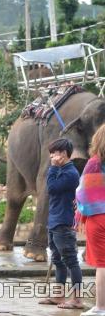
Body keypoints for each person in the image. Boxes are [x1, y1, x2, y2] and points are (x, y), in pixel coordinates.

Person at [37, 138, 83, 309]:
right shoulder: (61, 170)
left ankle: (77, 299)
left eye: (53, 153)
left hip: (64, 222)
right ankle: (59, 296)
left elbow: (52, 188)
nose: (51, 156)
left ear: (63, 154)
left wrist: (53, 168)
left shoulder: (70, 173)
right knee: (58, 260)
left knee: (71, 260)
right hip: (55, 221)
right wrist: (55, 168)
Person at [77, 125, 105, 316]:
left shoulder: (94, 163)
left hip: (98, 218)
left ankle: (100, 307)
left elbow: (83, 194)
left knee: (102, 265)